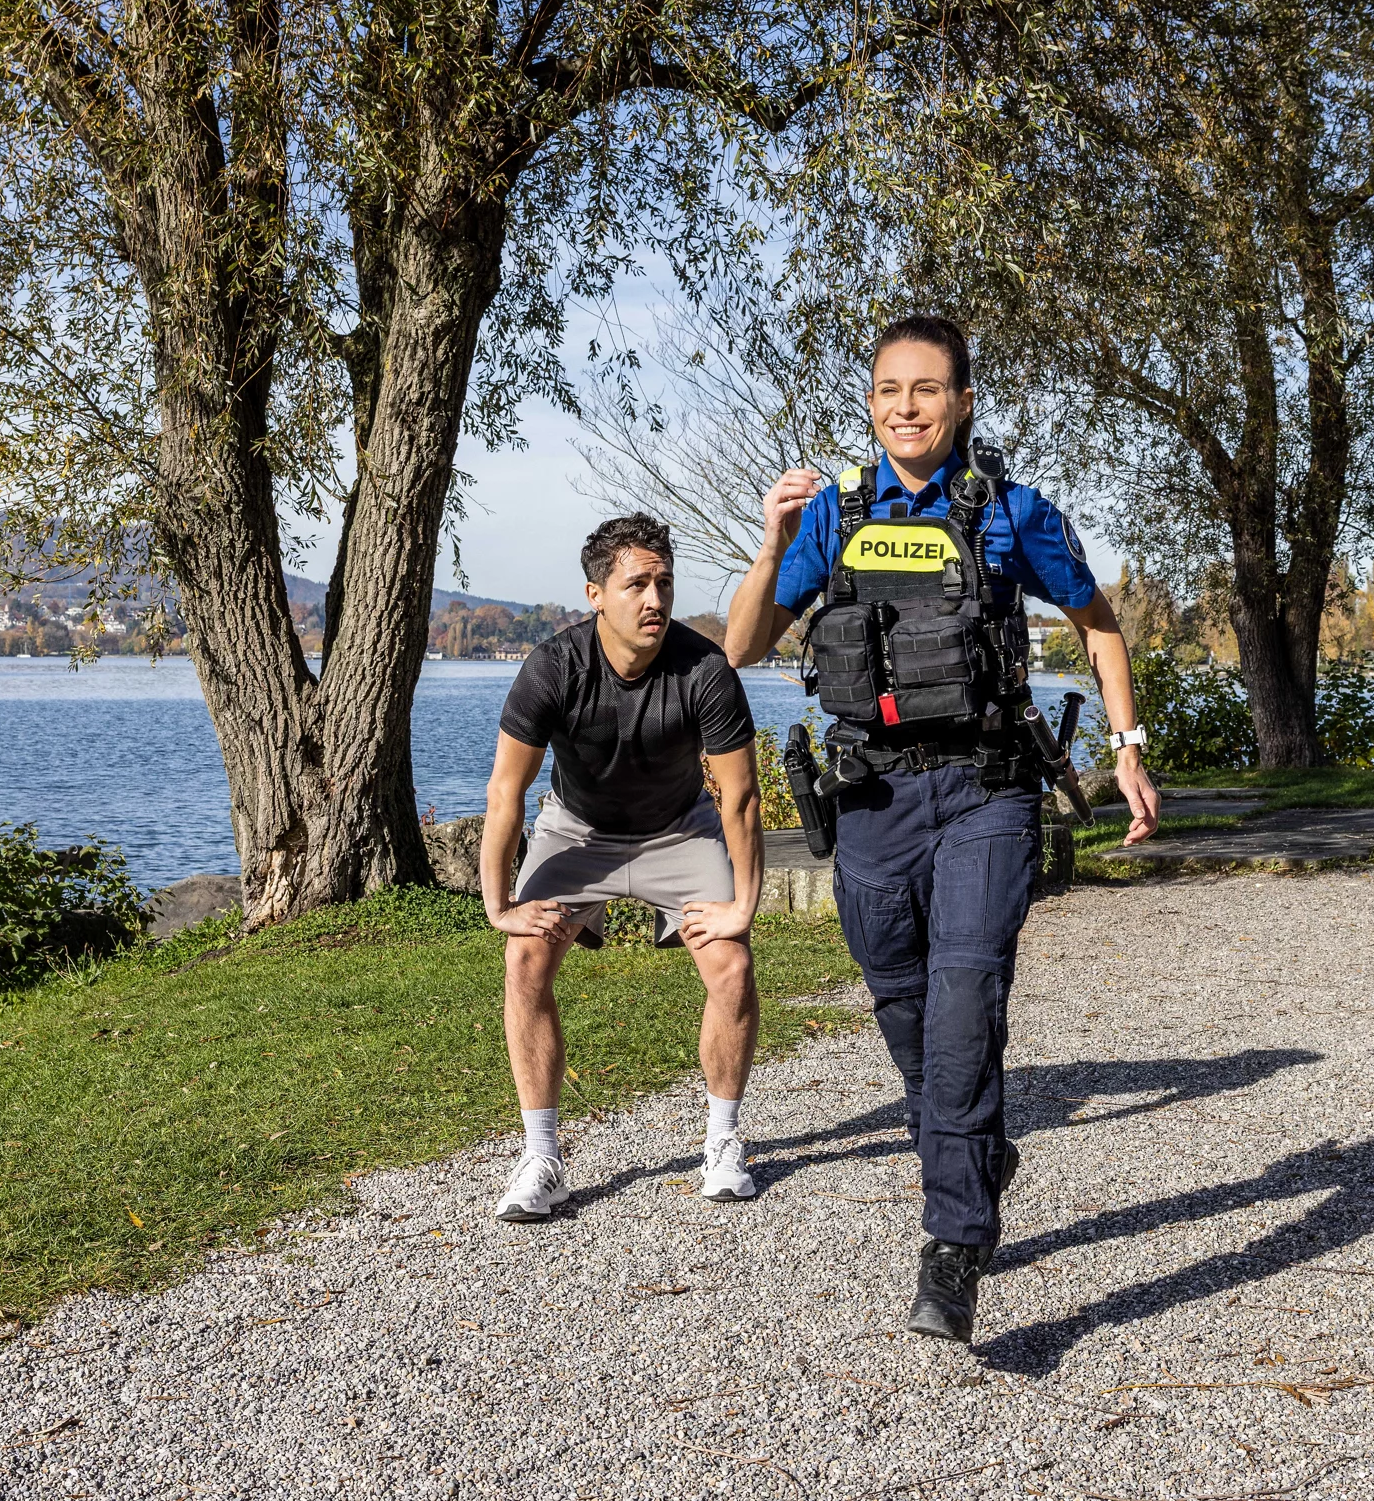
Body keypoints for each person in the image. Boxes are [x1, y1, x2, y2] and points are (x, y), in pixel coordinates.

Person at [723, 315, 1163, 1346]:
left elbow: (1098, 624)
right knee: (903, 1002)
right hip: (870, 797)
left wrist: (1129, 745)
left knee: (968, 995)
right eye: (888, 390)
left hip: (985, 792)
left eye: (927, 390)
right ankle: (975, 1151)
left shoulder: (1010, 513)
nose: (905, 407)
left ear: (964, 402)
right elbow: (741, 643)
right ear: (870, 402)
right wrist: (773, 541)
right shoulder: (834, 516)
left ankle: (954, 1242)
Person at [480, 513, 765, 1222]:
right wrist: (498, 904)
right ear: (595, 594)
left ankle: (723, 1143)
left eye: (664, 581)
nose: (654, 598)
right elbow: (506, 793)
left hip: (679, 829)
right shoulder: (553, 667)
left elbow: (741, 795)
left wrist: (743, 906)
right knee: (524, 960)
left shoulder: (704, 670)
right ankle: (542, 1157)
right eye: (636, 583)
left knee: (730, 964)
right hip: (579, 830)